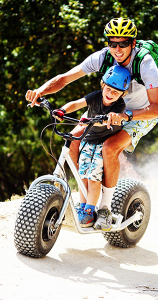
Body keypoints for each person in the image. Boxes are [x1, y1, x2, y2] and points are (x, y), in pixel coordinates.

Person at [25, 17, 158, 230]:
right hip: (106, 107)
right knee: (73, 140)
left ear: (132, 43)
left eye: (123, 43)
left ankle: (104, 210)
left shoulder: (145, 63)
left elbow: (156, 108)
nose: (117, 49)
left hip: (140, 112)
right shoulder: (103, 57)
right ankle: (87, 201)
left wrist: (127, 116)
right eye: (112, 43)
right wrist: (41, 90)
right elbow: (65, 78)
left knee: (109, 147)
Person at [53, 65, 131, 228]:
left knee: (94, 179)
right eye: (108, 89)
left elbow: (112, 117)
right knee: (83, 175)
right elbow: (76, 104)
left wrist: (106, 119)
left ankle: (89, 212)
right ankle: (83, 207)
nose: (110, 94)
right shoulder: (95, 96)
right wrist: (62, 110)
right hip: (88, 140)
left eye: (116, 92)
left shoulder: (119, 106)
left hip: (102, 143)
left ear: (122, 94)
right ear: (103, 85)